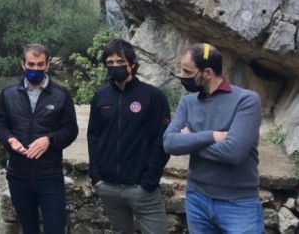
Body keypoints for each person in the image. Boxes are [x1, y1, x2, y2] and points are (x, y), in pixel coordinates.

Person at [163, 43, 263, 233]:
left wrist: (190, 140)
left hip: (239, 204)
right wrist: (213, 136)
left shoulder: (247, 100)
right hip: (196, 198)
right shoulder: (187, 102)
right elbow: (169, 143)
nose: (181, 76)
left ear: (207, 73)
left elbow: (234, 153)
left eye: (186, 71)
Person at [87, 38, 171, 234]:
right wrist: (96, 177)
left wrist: (150, 180)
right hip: (108, 186)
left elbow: (161, 140)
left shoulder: (153, 97)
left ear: (132, 64)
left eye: (120, 62)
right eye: (110, 63)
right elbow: (93, 136)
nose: (115, 67)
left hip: (142, 188)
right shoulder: (101, 96)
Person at [0, 43, 78, 234]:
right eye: (31, 64)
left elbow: (70, 129)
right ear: (22, 64)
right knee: (28, 228)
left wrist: (50, 139)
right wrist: (10, 140)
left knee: (55, 229)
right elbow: (0, 125)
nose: (35, 69)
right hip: (19, 175)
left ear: (48, 65)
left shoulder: (62, 95)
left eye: (40, 64)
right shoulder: (8, 94)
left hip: (50, 176)